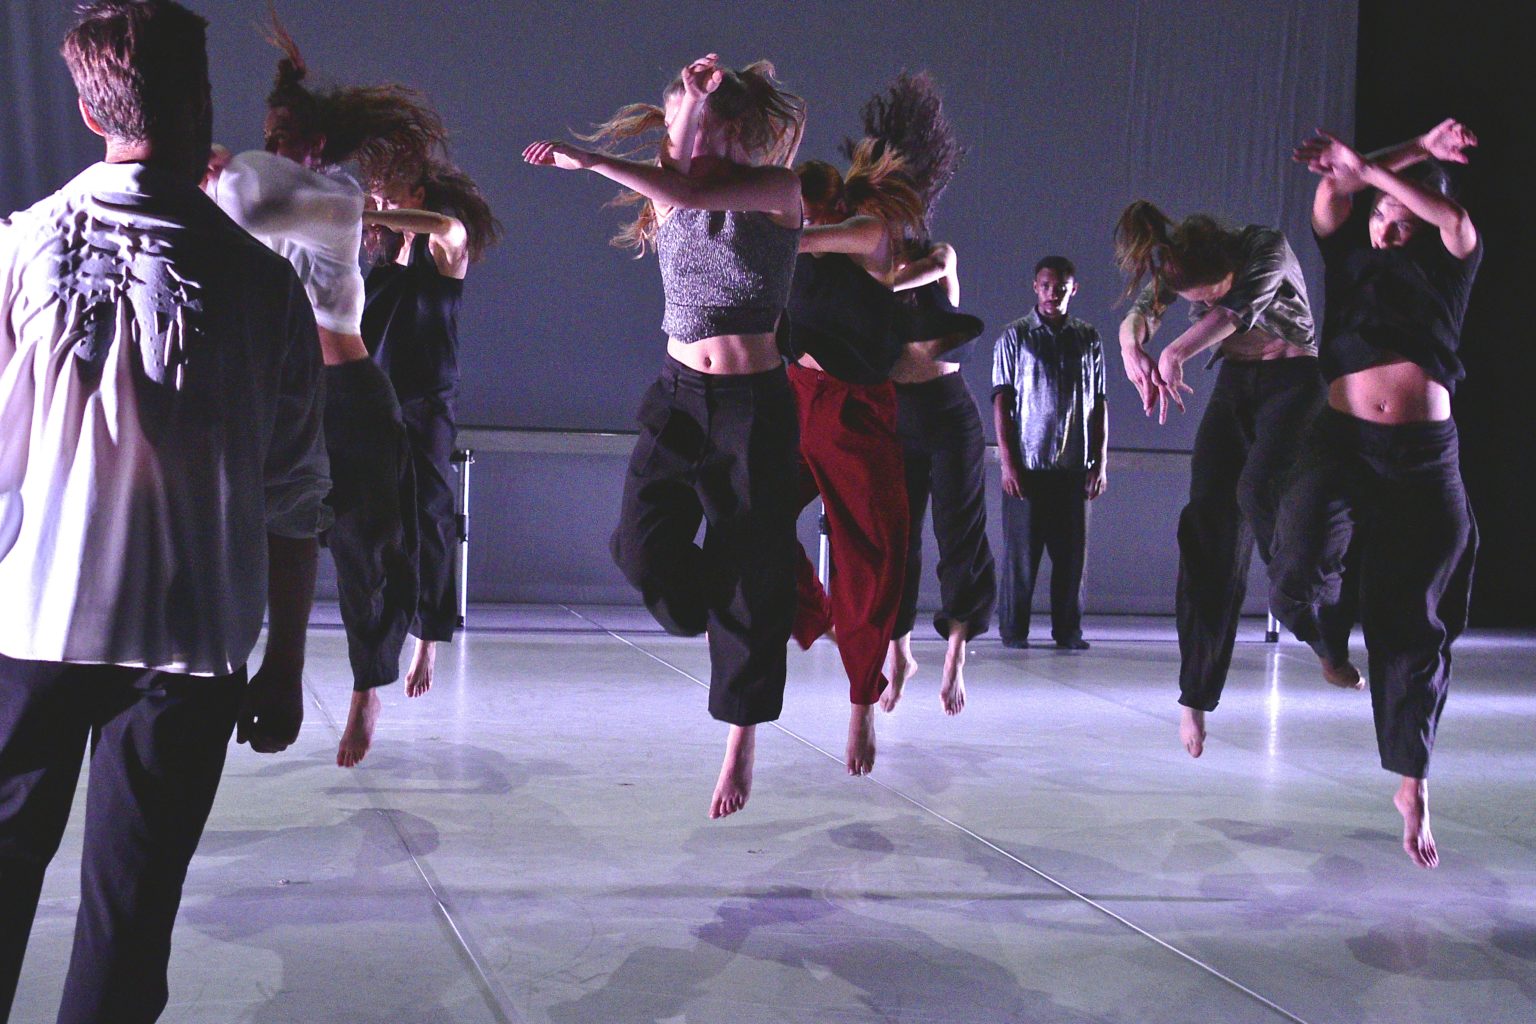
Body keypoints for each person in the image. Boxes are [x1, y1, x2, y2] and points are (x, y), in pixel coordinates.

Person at [0, 3, 330, 1020]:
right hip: (187, 643)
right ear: (200, 102)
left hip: (30, 621)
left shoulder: (15, 248)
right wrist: (284, 664)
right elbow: (293, 494)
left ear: (89, 109)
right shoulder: (263, 285)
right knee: (130, 918)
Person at [523, 54, 806, 818]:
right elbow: (679, 174)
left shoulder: (778, 191)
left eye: (711, 134)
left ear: (740, 136)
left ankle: (740, 738)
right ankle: (731, 598)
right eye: (682, 135)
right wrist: (690, 100)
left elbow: (690, 186)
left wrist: (591, 159)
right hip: (679, 400)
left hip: (753, 410)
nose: (692, 148)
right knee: (643, 551)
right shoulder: (667, 190)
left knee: (750, 576)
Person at [206, 14, 446, 768]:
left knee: (368, 548)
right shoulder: (268, 192)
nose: (274, 148)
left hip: (348, 393)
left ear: (316, 143)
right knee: (267, 531)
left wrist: (219, 169)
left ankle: (367, 688)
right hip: (283, 395)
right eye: (268, 137)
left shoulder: (335, 196)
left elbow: (247, 196)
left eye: (284, 137)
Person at [1271, 120, 1481, 869]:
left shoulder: (1448, 266)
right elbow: (1337, 191)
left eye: (1401, 218)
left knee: (1416, 621)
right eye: (1380, 214)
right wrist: (1411, 150)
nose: (1386, 225)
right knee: (1298, 560)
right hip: (1343, 443)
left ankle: (1413, 783)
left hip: (1424, 460)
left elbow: (1453, 220)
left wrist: (1383, 174)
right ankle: (1328, 643)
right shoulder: (1348, 254)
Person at [1113, 200, 1321, 758]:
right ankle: (1196, 692)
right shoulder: (1179, 259)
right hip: (1237, 385)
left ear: (1227, 267)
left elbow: (1232, 313)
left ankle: (1312, 611)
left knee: (1260, 493)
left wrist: (1176, 352)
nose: (1202, 307)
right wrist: (1132, 346)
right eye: (1195, 303)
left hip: (1294, 383)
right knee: (1207, 529)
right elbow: (1140, 314)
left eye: (1208, 296)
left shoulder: (1266, 249)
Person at [852, 73, 994, 716]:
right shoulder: (867, 261)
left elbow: (931, 270)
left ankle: (957, 651)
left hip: (948, 412)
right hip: (896, 413)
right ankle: (900, 652)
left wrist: (882, 277)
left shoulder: (938, 254)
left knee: (960, 534)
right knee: (897, 539)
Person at [780, 144, 924, 775]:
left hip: (855, 412)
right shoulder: (796, 251)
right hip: (796, 398)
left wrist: (773, 227)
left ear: (834, 207)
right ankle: (817, 616)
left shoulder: (868, 235)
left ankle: (861, 702)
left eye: (810, 212)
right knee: (749, 509)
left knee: (869, 553)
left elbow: (805, 240)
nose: (802, 222)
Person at [363, 157, 503, 698]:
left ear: (418, 194)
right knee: (377, 522)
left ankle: (428, 636)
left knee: (430, 516)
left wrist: (371, 214)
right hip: (376, 400)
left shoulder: (445, 244)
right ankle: (383, 624)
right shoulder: (383, 259)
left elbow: (446, 226)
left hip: (427, 400)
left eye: (389, 196)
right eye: (375, 197)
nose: (379, 204)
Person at [992, 256, 1108, 650]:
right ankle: (1014, 631)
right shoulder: (1015, 336)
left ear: (1073, 289)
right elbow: (1001, 402)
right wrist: (1008, 464)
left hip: (1073, 466)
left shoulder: (1087, 338)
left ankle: (1068, 632)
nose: (1052, 294)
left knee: (1072, 559)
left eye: (1060, 287)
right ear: (1035, 287)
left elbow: (1099, 403)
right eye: (1045, 286)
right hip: (1028, 465)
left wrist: (1100, 462)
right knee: (1021, 558)